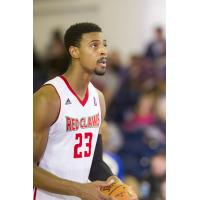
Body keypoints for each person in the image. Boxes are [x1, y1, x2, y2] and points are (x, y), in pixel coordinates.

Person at [33, 22, 137, 200]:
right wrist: (79, 190)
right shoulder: (48, 98)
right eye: (94, 45)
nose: (103, 51)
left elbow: (95, 163)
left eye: (104, 45)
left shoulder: (99, 99)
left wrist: (115, 183)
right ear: (74, 52)